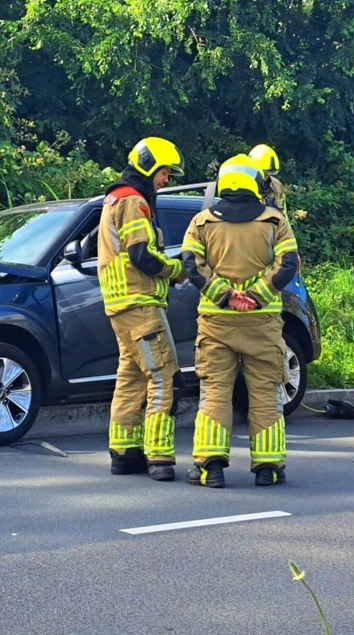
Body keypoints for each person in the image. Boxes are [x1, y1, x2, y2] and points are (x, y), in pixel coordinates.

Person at [181, 154, 299, 487]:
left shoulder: (202, 222)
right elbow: (288, 264)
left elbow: (192, 266)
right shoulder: (275, 221)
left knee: (215, 392)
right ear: (254, 183)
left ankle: (210, 467)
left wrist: (226, 296)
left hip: (216, 322)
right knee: (265, 393)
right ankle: (268, 468)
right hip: (262, 322)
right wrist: (256, 295)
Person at [100, 137, 186, 481]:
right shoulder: (134, 201)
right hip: (140, 303)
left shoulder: (114, 198)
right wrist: (176, 269)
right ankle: (159, 456)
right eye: (164, 172)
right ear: (149, 166)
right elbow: (142, 256)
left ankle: (125, 453)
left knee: (131, 378)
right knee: (166, 378)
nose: (165, 179)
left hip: (120, 304)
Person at [247, 144, 288, 217]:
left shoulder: (277, 186)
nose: (266, 176)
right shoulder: (242, 186)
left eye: (269, 174)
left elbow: (284, 217)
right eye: (264, 173)